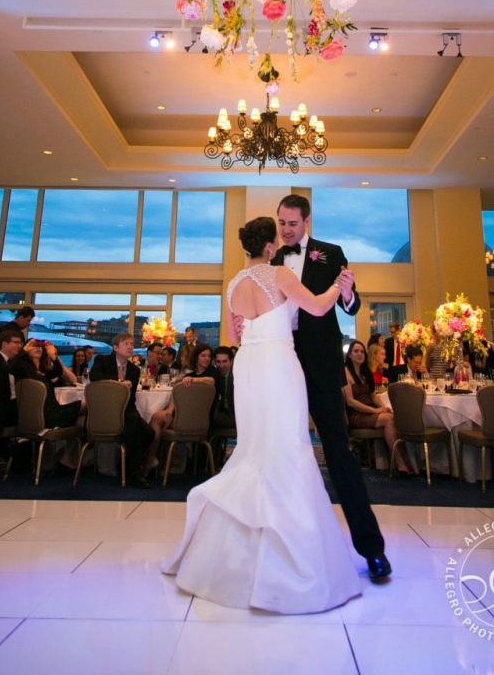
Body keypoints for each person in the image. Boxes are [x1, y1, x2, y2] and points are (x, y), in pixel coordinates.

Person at [163, 215, 361, 613]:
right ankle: (287, 558)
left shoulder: (233, 284)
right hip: (277, 364)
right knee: (286, 448)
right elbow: (320, 309)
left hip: (248, 365)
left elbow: (234, 336)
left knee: (253, 447)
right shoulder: (279, 276)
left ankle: (229, 556)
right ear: (271, 246)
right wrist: (340, 288)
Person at [272, 193, 390, 582]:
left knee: (338, 452)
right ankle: (282, 549)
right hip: (282, 361)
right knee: (280, 454)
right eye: (281, 223)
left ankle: (372, 549)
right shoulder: (269, 258)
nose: (286, 230)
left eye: (292, 223)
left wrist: (350, 293)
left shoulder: (330, 252)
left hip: (321, 365)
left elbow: (350, 308)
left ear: (306, 222)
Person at [89, 333, 155, 488]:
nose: (131, 347)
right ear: (116, 347)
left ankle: (126, 464)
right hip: (105, 410)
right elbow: (95, 376)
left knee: (149, 432)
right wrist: (119, 382)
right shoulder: (103, 361)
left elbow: (130, 399)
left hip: (126, 410)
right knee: (133, 424)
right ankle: (133, 473)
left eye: (132, 344)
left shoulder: (133, 370)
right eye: (126, 344)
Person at [343, 340, 408, 471]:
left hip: (369, 411)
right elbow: (350, 401)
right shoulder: (345, 373)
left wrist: (384, 407)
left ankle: (394, 463)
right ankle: (400, 464)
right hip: (356, 415)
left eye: (362, 351)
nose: (359, 354)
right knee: (389, 419)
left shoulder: (365, 372)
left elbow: (373, 395)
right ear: (349, 355)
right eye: (356, 351)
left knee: (393, 415)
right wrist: (375, 410)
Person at [11, 341, 81, 427]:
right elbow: (14, 366)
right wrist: (25, 350)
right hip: (47, 415)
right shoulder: (24, 369)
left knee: (85, 411)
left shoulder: (44, 371)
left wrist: (53, 357)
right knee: (86, 406)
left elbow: (58, 372)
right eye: (34, 346)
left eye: (40, 346)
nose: (38, 348)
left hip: (54, 410)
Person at [213, 346, 235, 429]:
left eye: (224, 361)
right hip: (222, 413)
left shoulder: (237, 377)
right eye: (218, 362)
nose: (221, 365)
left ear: (231, 361)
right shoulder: (216, 375)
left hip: (234, 417)